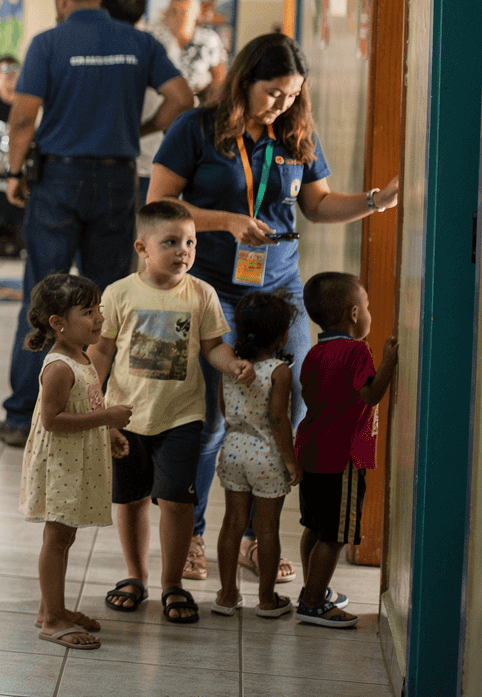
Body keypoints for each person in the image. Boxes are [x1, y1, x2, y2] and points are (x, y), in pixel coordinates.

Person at [149, 32, 400, 585]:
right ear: (244, 83)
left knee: (293, 411)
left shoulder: (295, 133)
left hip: (280, 291)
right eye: (272, 93)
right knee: (212, 419)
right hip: (215, 289)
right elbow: (160, 204)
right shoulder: (196, 128)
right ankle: (190, 535)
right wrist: (225, 220)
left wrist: (377, 201)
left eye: (292, 95)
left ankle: (251, 537)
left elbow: (317, 204)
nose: (281, 105)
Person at [0, 0, 194, 448]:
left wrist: (14, 172)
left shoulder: (47, 43)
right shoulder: (139, 43)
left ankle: (24, 417)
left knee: (43, 298)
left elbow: (23, 116)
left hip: (58, 179)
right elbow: (182, 99)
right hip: (115, 178)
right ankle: (98, 415)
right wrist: (141, 130)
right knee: (105, 304)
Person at [97, 199, 250, 626]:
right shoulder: (120, 294)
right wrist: (94, 403)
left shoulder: (202, 294)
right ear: (142, 248)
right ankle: (135, 576)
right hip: (126, 417)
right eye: (171, 242)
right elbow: (102, 351)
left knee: (178, 502)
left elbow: (213, 348)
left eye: (190, 242)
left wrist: (232, 362)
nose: (184, 251)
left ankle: (171, 583)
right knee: (129, 500)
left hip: (182, 416)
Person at [20, 273, 130, 651]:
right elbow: (52, 420)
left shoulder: (81, 355)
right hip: (60, 466)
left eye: (98, 309)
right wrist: (107, 420)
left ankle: (51, 608)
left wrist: (109, 432)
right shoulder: (59, 367)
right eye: (88, 311)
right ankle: (52, 621)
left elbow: (89, 403)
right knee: (57, 538)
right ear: (58, 323)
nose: (99, 318)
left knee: (65, 537)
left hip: (77, 459)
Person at [294, 272, 398, 627]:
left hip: (311, 451)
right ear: (354, 314)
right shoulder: (357, 351)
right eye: (367, 306)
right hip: (342, 459)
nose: (369, 312)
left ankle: (313, 589)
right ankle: (312, 602)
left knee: (314, 526)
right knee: (336, 535)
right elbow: (370, 393)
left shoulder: (315, 352)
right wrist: (388, 361)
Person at [212, 290, 302, 618]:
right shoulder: (279, 370)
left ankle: (226, 595)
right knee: (267, 528)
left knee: (232, 523)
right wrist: (291, 460)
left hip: (233, 452)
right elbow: (278, 418)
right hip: (266, 457)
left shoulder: (232, 366)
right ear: (283, 335)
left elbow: (224, 407)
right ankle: (266, 599)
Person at [97, 0, 157, 204]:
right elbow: (181, 100)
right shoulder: (152, 47)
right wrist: (141, 131)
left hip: (106, 165)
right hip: (147, 164)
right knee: (142, 237)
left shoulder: (96, 47)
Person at [149, 0, 230, 105]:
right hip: (162, 103)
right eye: (173, 12)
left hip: (198, 104)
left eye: (184, 13)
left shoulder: (209, 40)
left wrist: (212, 106)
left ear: (197, 16)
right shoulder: (155, 39)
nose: (178, 18)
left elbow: (219, 79)